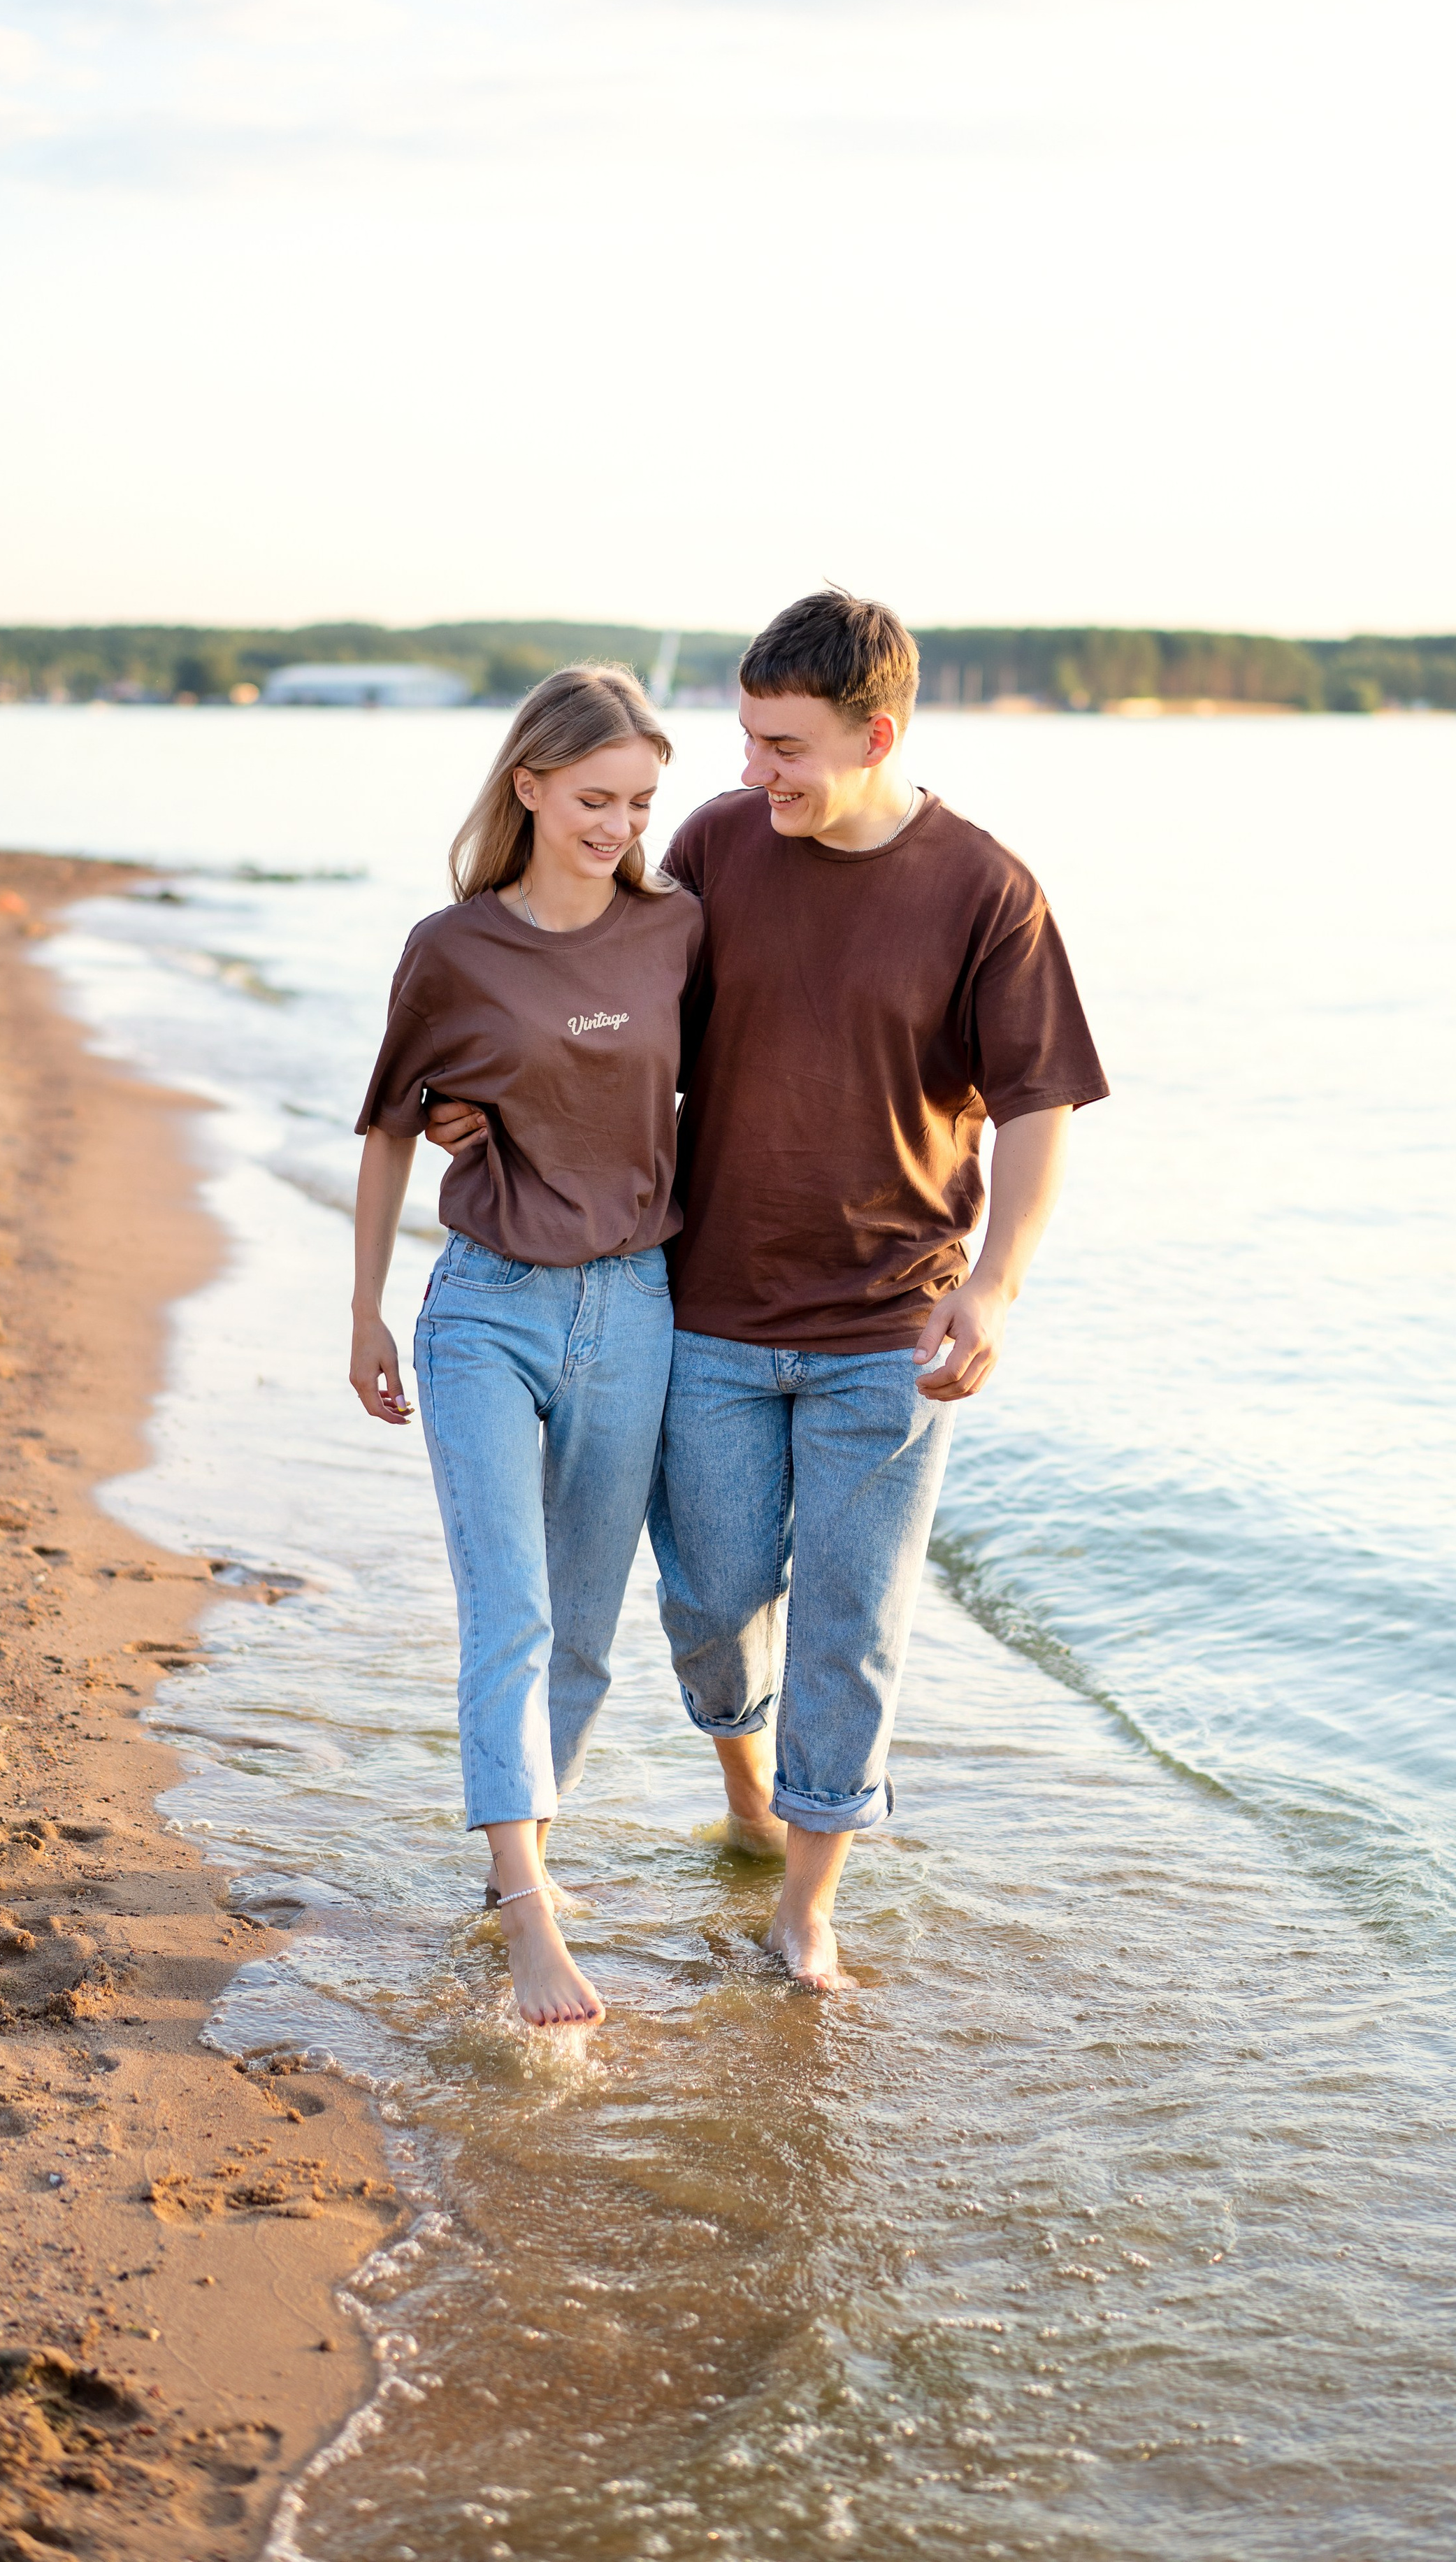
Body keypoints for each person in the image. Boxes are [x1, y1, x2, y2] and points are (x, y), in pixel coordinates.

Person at [429, 590, 1105, 1992]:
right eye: (745, 739)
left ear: (877, 732)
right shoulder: (721, 847)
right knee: (710, 1603)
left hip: (886, 1332)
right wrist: (480, 1106)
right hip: (708, 1315)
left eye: (783, 747)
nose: (753, 773)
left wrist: (995, 1289)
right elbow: (603, 1019)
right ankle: (747, 1778)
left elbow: (1040, 1107)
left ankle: (805, 1902)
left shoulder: (985, 890)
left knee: (854, 1626)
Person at [350, 667, 700, 2030]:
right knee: (512, 1612)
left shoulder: (677, 931)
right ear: (530, 786)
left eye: (639, 802)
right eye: (594, 796)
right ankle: (523, 1912)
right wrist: (366, 1308)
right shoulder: (451, 948)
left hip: (636, 1305)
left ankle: (520, 1856)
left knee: (587, 1638)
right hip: (485, 1304)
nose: (615, 823)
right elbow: (391, 1121)